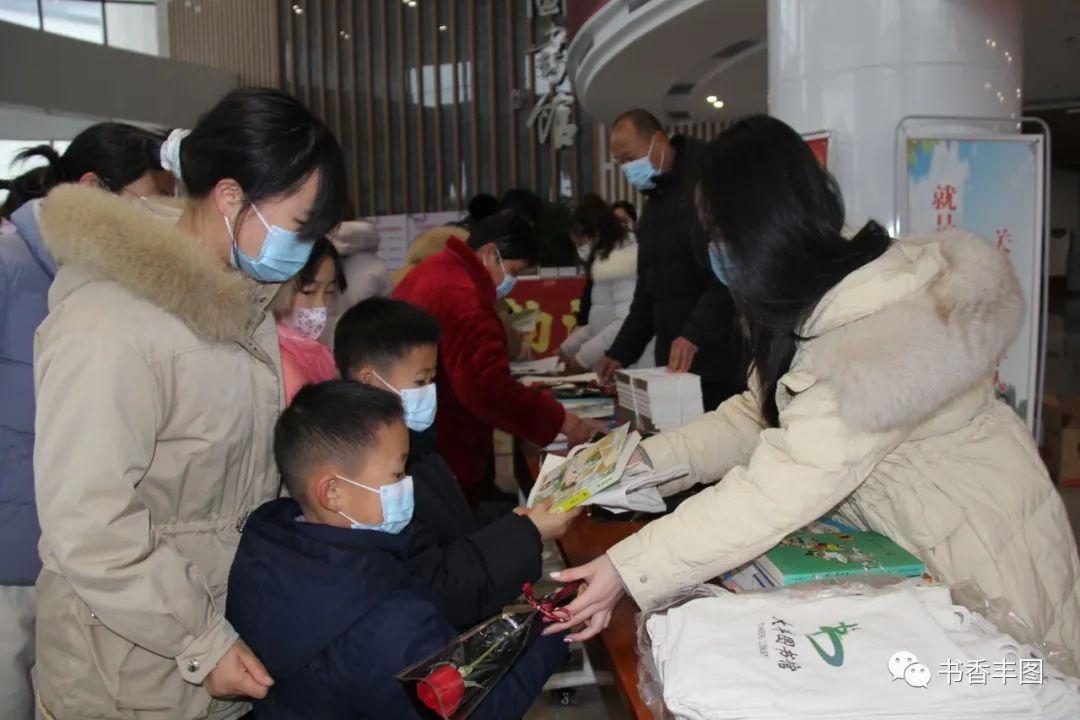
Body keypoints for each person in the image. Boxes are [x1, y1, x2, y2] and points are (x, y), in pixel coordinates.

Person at [545, 116, 1080, 668]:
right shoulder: (815, 294)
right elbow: (755, 417)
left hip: (981, 557)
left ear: (759, 229)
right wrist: (637, 466)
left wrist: (628, 567)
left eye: (719, 236)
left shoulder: (877, 335)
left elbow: (780, 484)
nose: (714, 254)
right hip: (913, 542)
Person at [32, 88, 346, 720]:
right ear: (230, 197)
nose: (307, 246)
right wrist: (201, 639)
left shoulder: (240, 301)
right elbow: (88, 521)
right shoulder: (107, 326)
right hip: (128, 674)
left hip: (213, 643)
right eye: (299, 224)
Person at [226, 380, 569, 719]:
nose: (407, 486)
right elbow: (480, 709)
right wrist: (559, 626)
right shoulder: (383, 620)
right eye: (396, 475)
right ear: (332, 492)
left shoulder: (271, 549)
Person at [0, 122, 165, 720]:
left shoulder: (120, 283)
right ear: (93, 188)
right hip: (10, 562)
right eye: (147, 203)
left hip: (83, 559)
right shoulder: (9, 267)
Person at [334, 297, 581, 626]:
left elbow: (454, 526)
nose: (429, 392)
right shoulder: (372, 475)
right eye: (419, 382)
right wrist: (527, 530)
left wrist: (518, 519)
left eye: (432, 380)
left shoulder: (417, 445)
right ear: (368, 381)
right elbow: (439, 588)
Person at [393, 210, 600, 505]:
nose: (513, 282)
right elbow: (487, 387)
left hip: (415, 436)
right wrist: (563, 422)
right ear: (490, 254)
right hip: (447, 447)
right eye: (514, 271)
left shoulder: (435, 269)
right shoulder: (465, 300)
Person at [596, 109, 746, 411]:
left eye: (630, 158)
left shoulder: (708, 185)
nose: (627, 169)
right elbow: (648, 293)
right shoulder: (653, 207)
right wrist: (620, 352)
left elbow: (730, 276)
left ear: (659, 141)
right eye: (620, 162)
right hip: (674, 370)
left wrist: (694, 334)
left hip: (721, 363)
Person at [560, 194, 654, 374]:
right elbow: (598, 324)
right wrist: (566, 349)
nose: (580, 250)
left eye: (580, 243)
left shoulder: (623, 263)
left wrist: (583, 359)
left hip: (636, 363)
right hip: (618, 361)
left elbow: (625, 324)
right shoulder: (604, 263)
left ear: (595, 235)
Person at [275, 237, 343, 403]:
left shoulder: (316, 355)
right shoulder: (277, 366)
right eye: (309, 291)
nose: (321, 305)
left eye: (329, 292)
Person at [323, 219, 391, 344]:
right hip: (366, 335)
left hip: (326, 333)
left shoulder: (323, 262)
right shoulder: (377, 266)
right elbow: (389, 303)